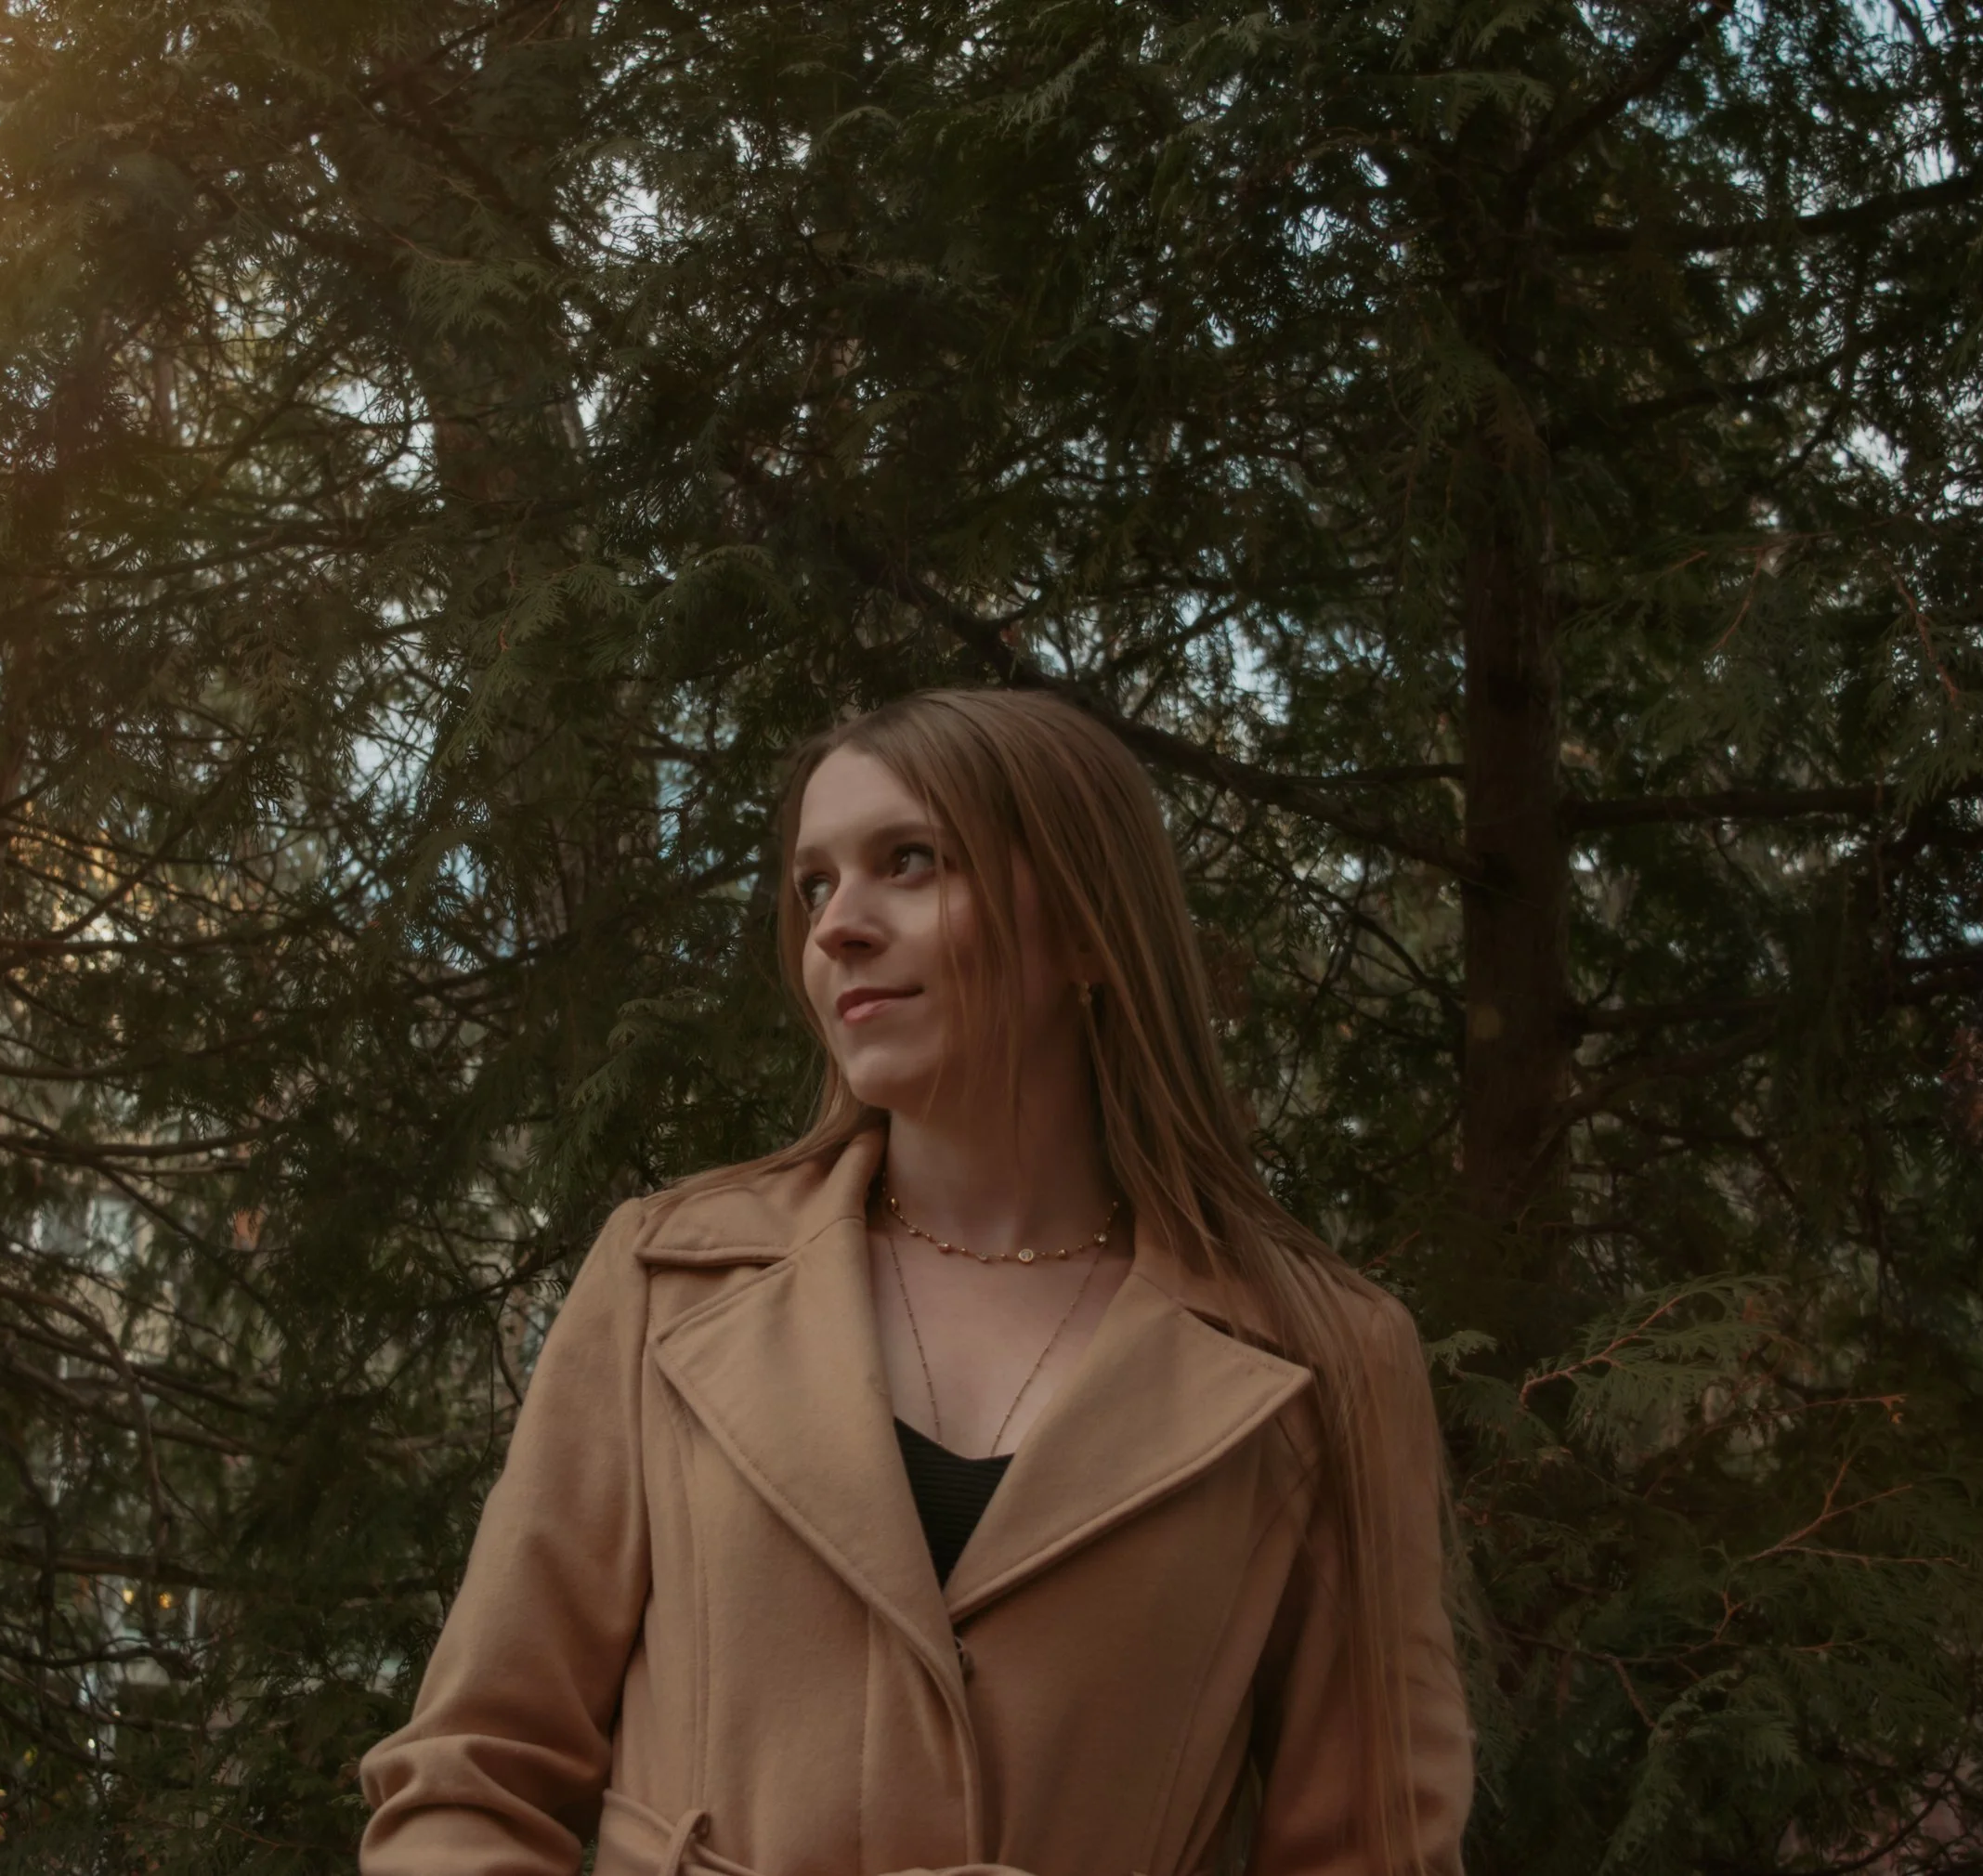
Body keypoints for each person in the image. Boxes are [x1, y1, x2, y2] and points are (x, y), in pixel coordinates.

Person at [358, 689, 1472, 1876]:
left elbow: (1370, 1850)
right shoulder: (666, 1278)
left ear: (1090, 930)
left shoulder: (1320, 1353)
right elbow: (470, 1774)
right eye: (815, 885)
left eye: (910, 861)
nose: (839, 924)